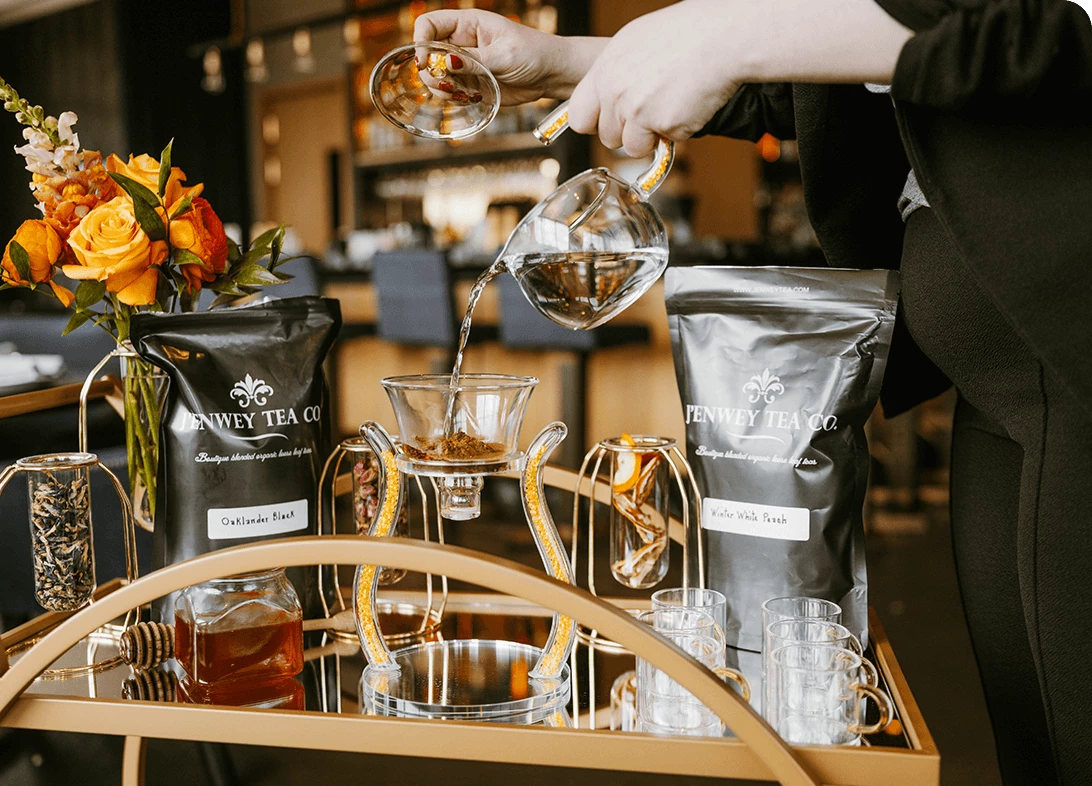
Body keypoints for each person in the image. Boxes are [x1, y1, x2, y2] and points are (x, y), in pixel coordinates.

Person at [415, 3, 1092, 784]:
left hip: (1069, 355)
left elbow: (1035, 22)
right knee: (1035, 748)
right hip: (1005, 381)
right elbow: (814, 80)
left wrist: (728, 32)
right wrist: (570, 60)